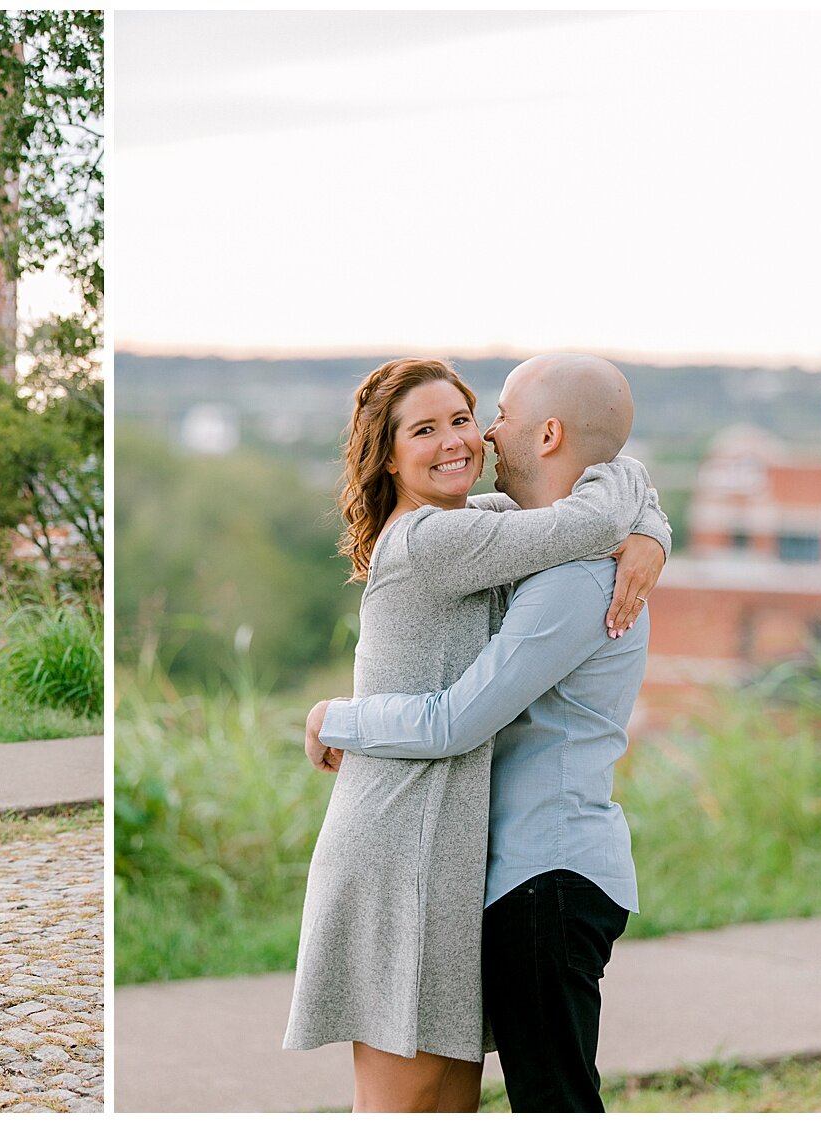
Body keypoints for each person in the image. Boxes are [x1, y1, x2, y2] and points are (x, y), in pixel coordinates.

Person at [281, 357, 669, 1112]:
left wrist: (648, 526)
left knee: (449, 1097)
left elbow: (597, 492)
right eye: (425, 429)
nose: (467, 436)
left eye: (465, 417)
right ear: (388, 455)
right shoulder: (433, 541)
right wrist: (339, 718)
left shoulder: (476, 524)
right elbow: (590, 516)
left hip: (443, 843)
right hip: (402, 839)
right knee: (410, 1096)